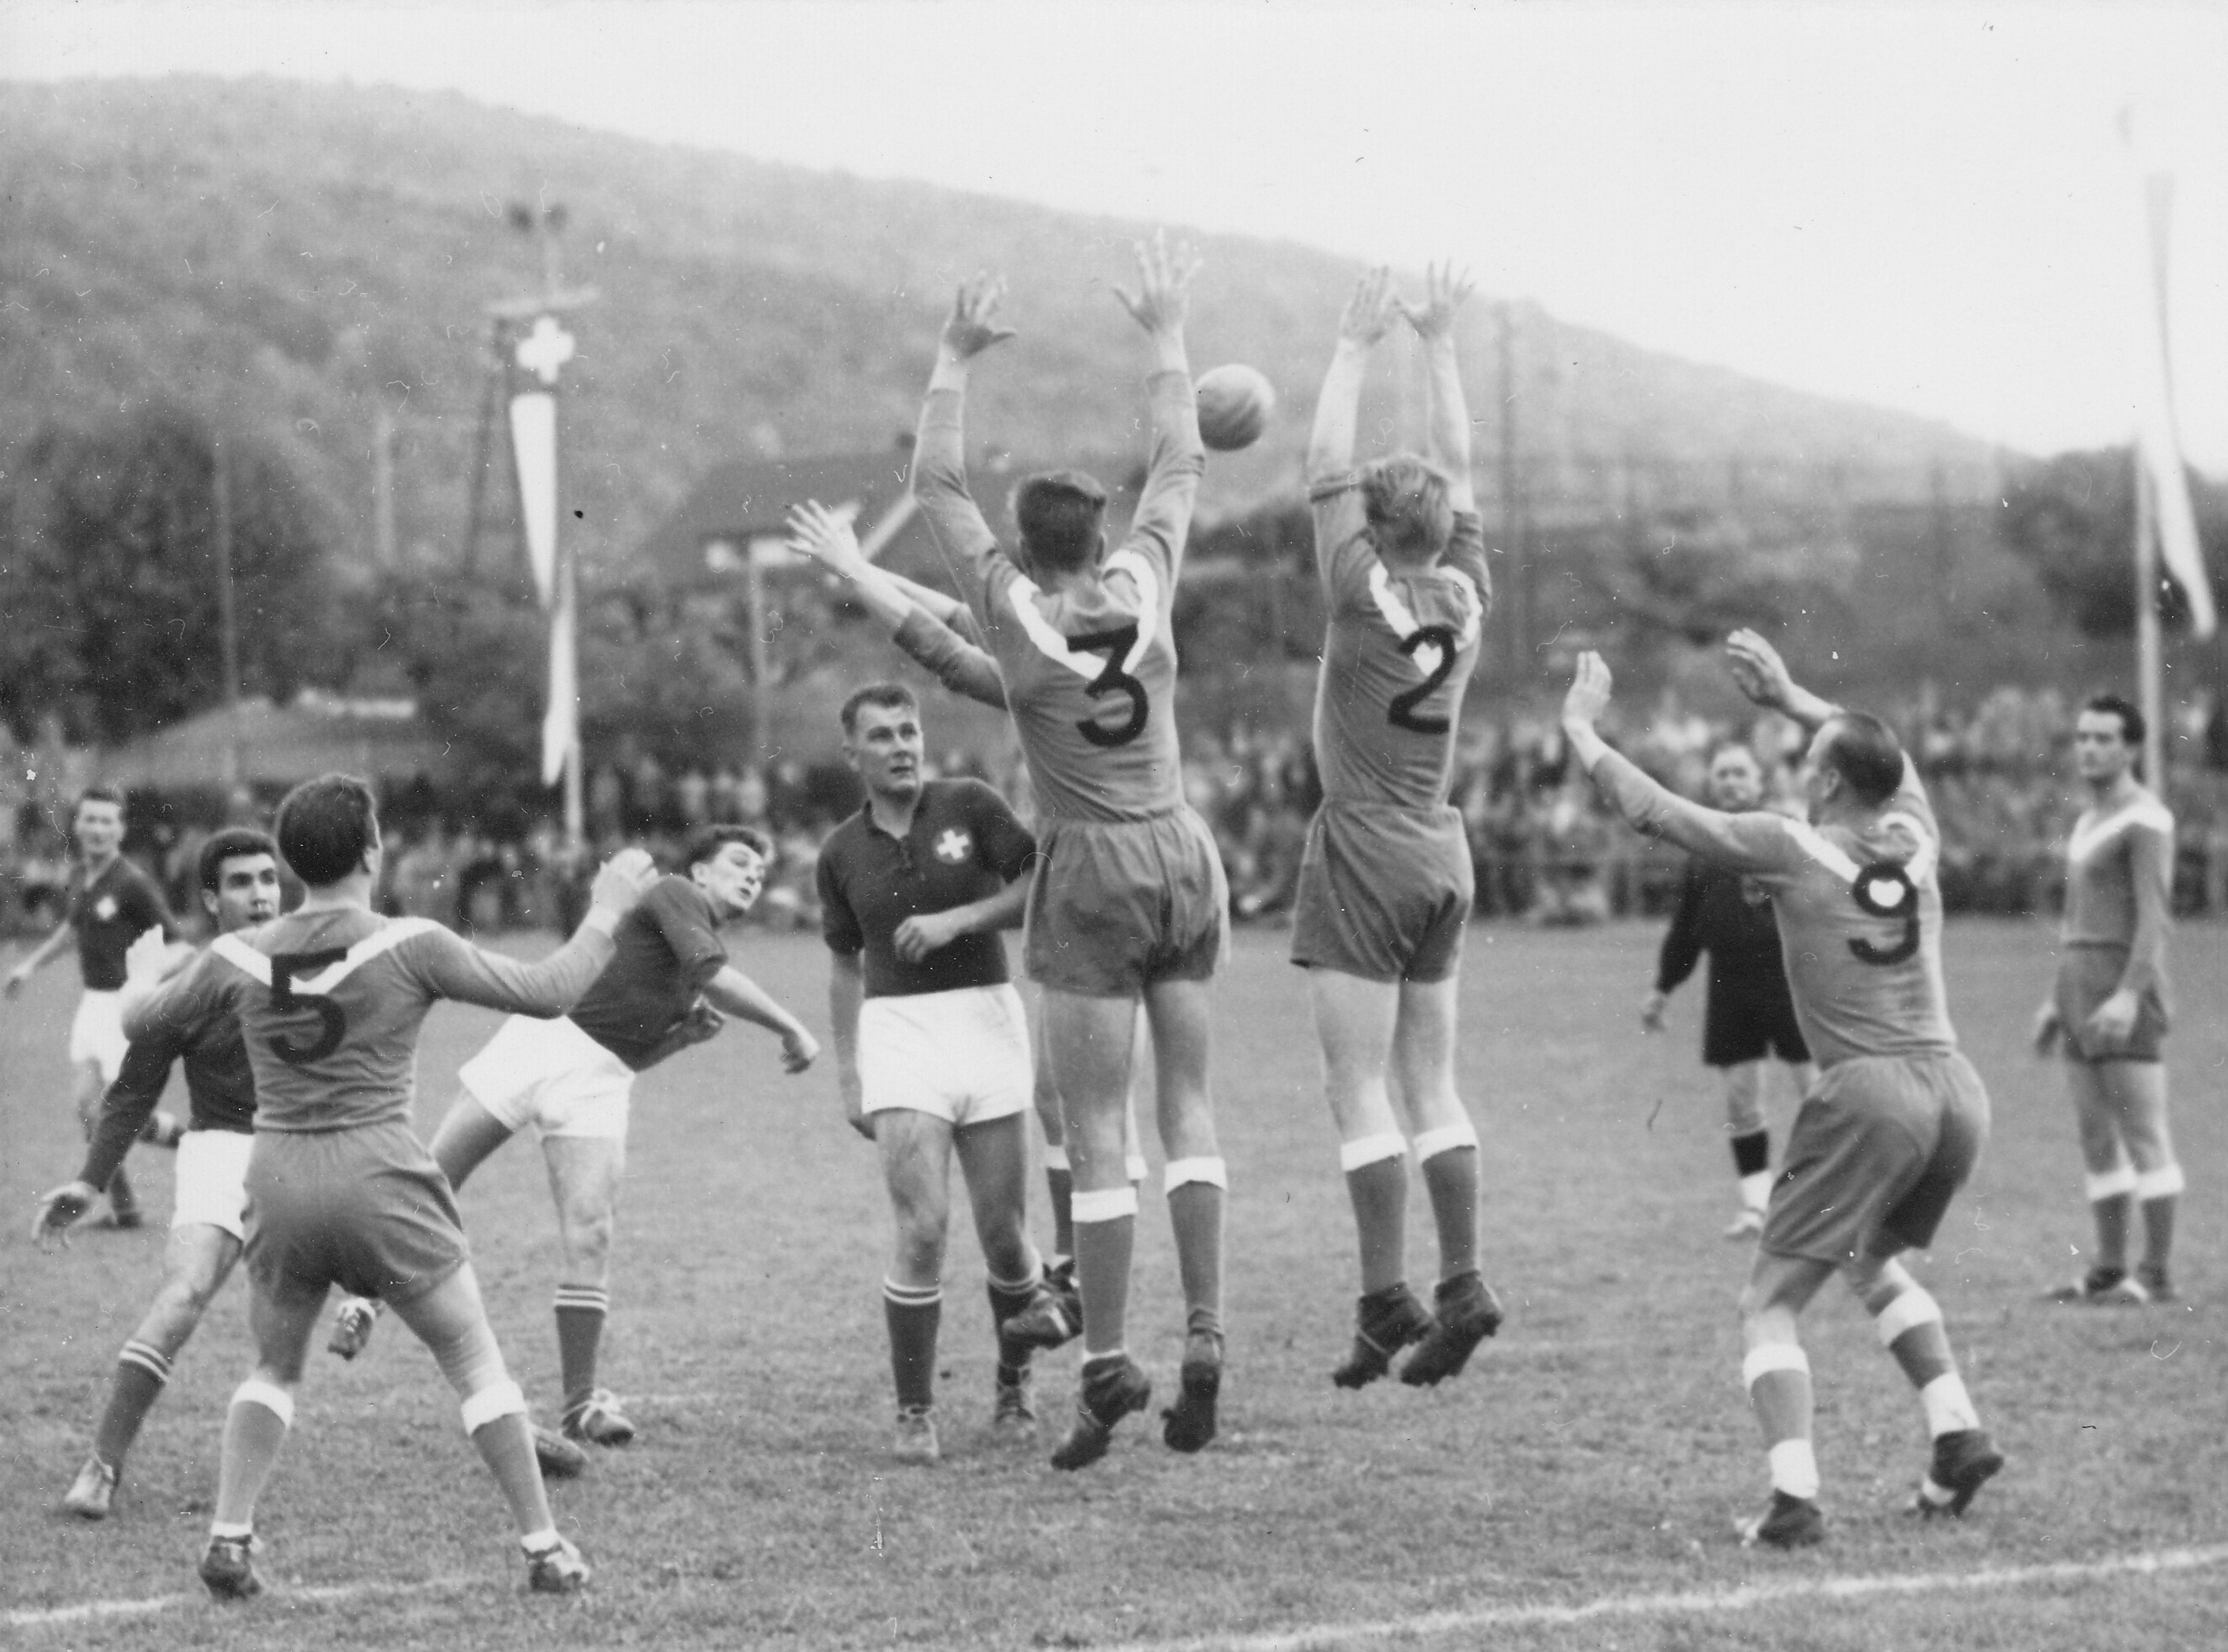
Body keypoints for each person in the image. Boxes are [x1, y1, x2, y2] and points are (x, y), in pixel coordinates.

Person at [120, 772, 660, 1598]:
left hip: (279, 1175)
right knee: (472, 1359)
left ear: (291, 862)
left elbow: (139, 1022)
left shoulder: (232, 954)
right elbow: (550, 993)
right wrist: (607, 908)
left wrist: (138, 974)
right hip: (380, 1172)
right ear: (372, 849)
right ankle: (545, 1548)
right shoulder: (412, 943)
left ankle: (230, 1535)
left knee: (274, 1365)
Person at [1561, 632, 2002, 1550]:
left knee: (1766, 1299)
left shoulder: (1788, 846)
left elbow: (1658, 814)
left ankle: (1792, 1498)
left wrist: (1581, 731)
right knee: (1865, 1259)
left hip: (1869, 1095)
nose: (1799, 773)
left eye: (1809, 762)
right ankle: (1956, 1434)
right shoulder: (1913, 835)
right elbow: (1894, 759)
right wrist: (1793, 695)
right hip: (1955, 1092)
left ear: (1832, 783)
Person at [908, 238, 1229, 1470]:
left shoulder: (1009, 605)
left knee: (1098, 1129)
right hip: (1185, 848)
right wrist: (1164, 336)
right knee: (1189, 1107)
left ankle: (1107, 1363)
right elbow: (1184, 461)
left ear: (1027, 544)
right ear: (1102, 538)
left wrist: (954, 352)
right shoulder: (1147, 577)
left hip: (1091, 863)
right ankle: (1206, 1333)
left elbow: (936, 483)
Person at [325, 825, 819, 1453]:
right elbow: (714, 977)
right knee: (435, 1181)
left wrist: (678, 1039)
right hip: (543, 1040)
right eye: (739, 862)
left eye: (760, 869)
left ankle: (580, 1407)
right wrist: (791, 1027)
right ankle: (363, 1301)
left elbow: (627, 1048)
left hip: (599, 1083)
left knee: (591, 1230)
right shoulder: (677, 898)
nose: (753, 875)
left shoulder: (694, 947)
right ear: (699, 873)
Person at [784, 499, 1154, 1338]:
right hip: (1132, 862)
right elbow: (950, 616)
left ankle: (1079, 1282)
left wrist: (850, 571)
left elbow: (940, 642)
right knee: (1072, 1097)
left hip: (1089, 869)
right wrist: (857, 569)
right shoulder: (1098, 635)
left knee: (1079, 1100)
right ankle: (1071, 1278)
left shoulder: (1037, 662)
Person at [1291, 263, 1502, 1389]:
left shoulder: (1355, 592)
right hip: (1440, 845)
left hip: (1365, 842)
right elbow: (1460, 468)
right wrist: (1440, 345)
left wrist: (1353, 345)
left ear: (1373, 530)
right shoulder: (1467, 592)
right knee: (1433, 1083)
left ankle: (1384, 1299)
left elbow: (1326, 464)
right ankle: (1463, 1277)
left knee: (1357, 1086)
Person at [809, 676, 1051, 1462]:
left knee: (1005, 1239)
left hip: (985, 1018)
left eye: (908, 730)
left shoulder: (971, 805)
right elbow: (844, 965)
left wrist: (958, 919)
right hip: (900, 1033)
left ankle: (1014, 1389)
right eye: (881, 735)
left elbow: (1036, 886)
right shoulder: (840, 852)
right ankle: (915, 1413)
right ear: (853, 754)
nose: (902, 745)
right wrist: (850, 1073)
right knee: (922, 1227)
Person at [33, 829, 281, 1521]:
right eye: (239, 882)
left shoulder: (319, 960)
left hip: (307, 1150)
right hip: (222, 1152)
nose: (259, 892)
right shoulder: (191, 983)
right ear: (211, 899)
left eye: (268, 877)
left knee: (419, 1278)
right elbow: (133, 1092)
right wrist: (88, 1181)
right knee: (183, 1294)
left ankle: (502, 1418)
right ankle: (103, 1464)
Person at [2032, 694, 2182, 1304]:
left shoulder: (2146, 819)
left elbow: (2155, 920)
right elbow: (2075, 920)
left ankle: (2156, 1273)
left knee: (2144, 1133)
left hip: (2123, 990)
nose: (2089, 747)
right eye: (2083, 736)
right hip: (2077, 989)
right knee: (2096, 1136)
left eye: (2103, 737)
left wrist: (2128, 995)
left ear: (2132, 748)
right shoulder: (2087, 819)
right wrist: (2053, 998)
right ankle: (2107, 1269)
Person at [1643, 741, 1817, 1239]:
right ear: (1711, 785)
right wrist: (1662, 989)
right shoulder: (1703, 854)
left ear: (1760, 782)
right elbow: (1686, 931)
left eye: (1741, 772)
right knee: (1743, 1100)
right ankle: (1756, 1208)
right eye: (1722, 774)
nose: (1731, 782)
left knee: (1816, 1094)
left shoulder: (1787, 838)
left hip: (1790, 982)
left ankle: (1819, 1202)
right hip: (1730, 986)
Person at [6, 785, 188, 1227]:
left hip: (122, 1010)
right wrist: (29, 967)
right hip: (92, 1006)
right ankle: (126, 1210)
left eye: (108, 821)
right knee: (88, 1109)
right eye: (91, 819)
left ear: (121, 829)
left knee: (109, 1112)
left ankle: (200, 1143)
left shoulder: (133, 883)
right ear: (78, 824)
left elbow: (181, 945)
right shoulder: (81, 876)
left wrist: (144, 981)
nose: (98, 829)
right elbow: (72, 930)